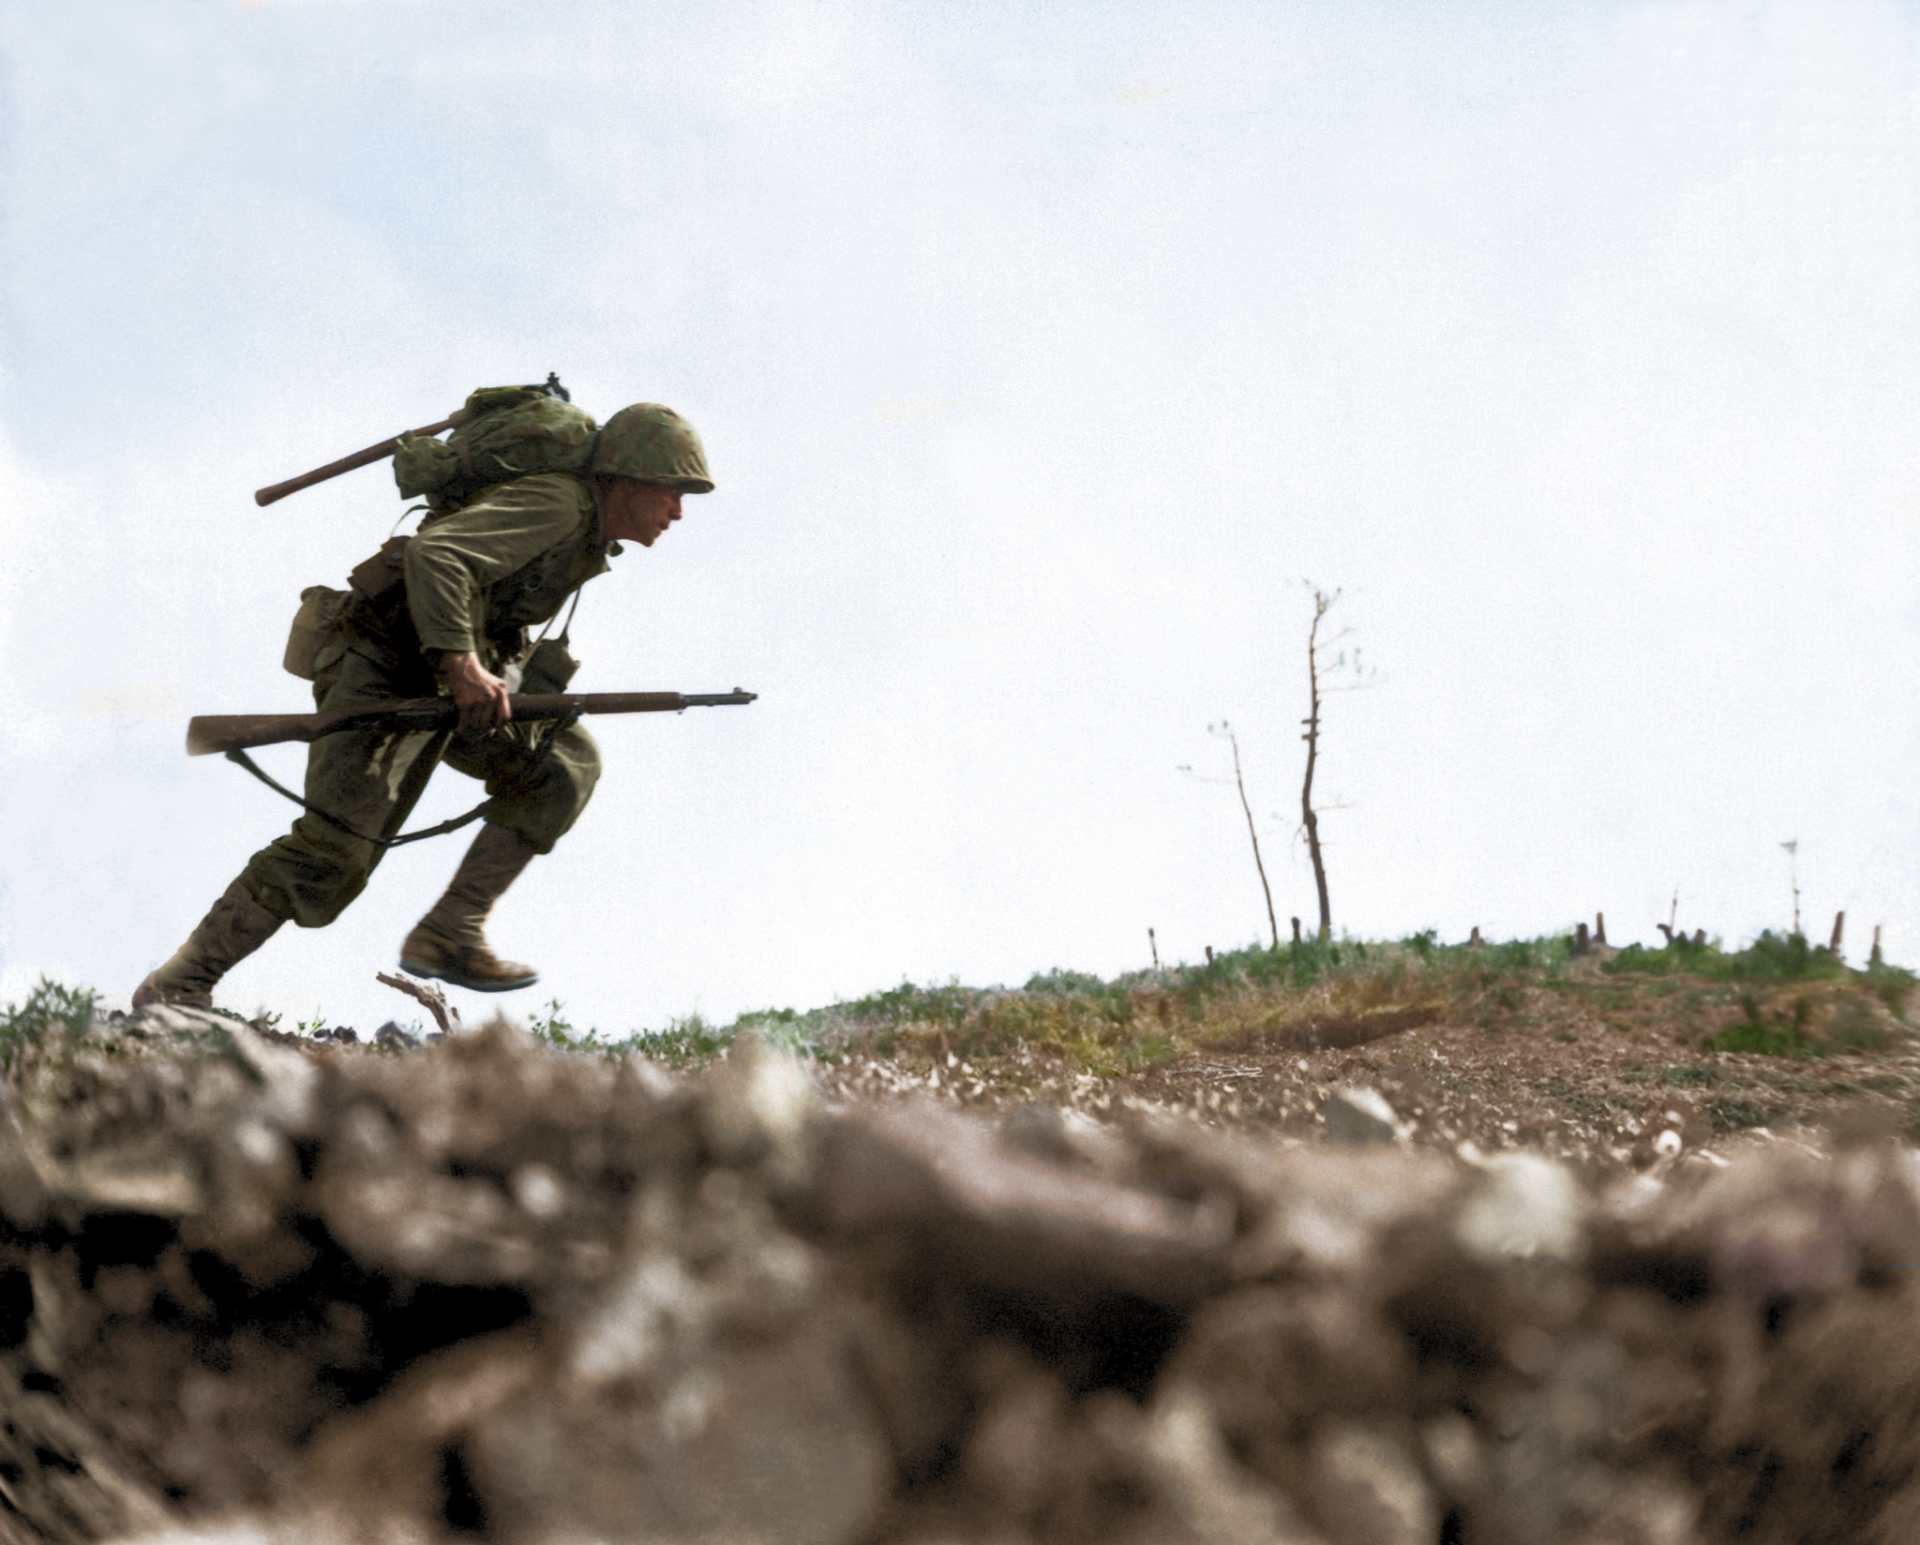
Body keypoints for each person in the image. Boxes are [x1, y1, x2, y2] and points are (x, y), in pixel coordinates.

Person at [133, 402, 713, 1008]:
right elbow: (437, 556)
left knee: (563, 762)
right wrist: (464, 667)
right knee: (333, 853)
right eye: (672, 491)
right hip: (381, 663)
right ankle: (179, 985)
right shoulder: (559, 504)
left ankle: (450, 931)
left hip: (440, 680)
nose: (677, 509)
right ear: (627, 478)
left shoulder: (584, 535)